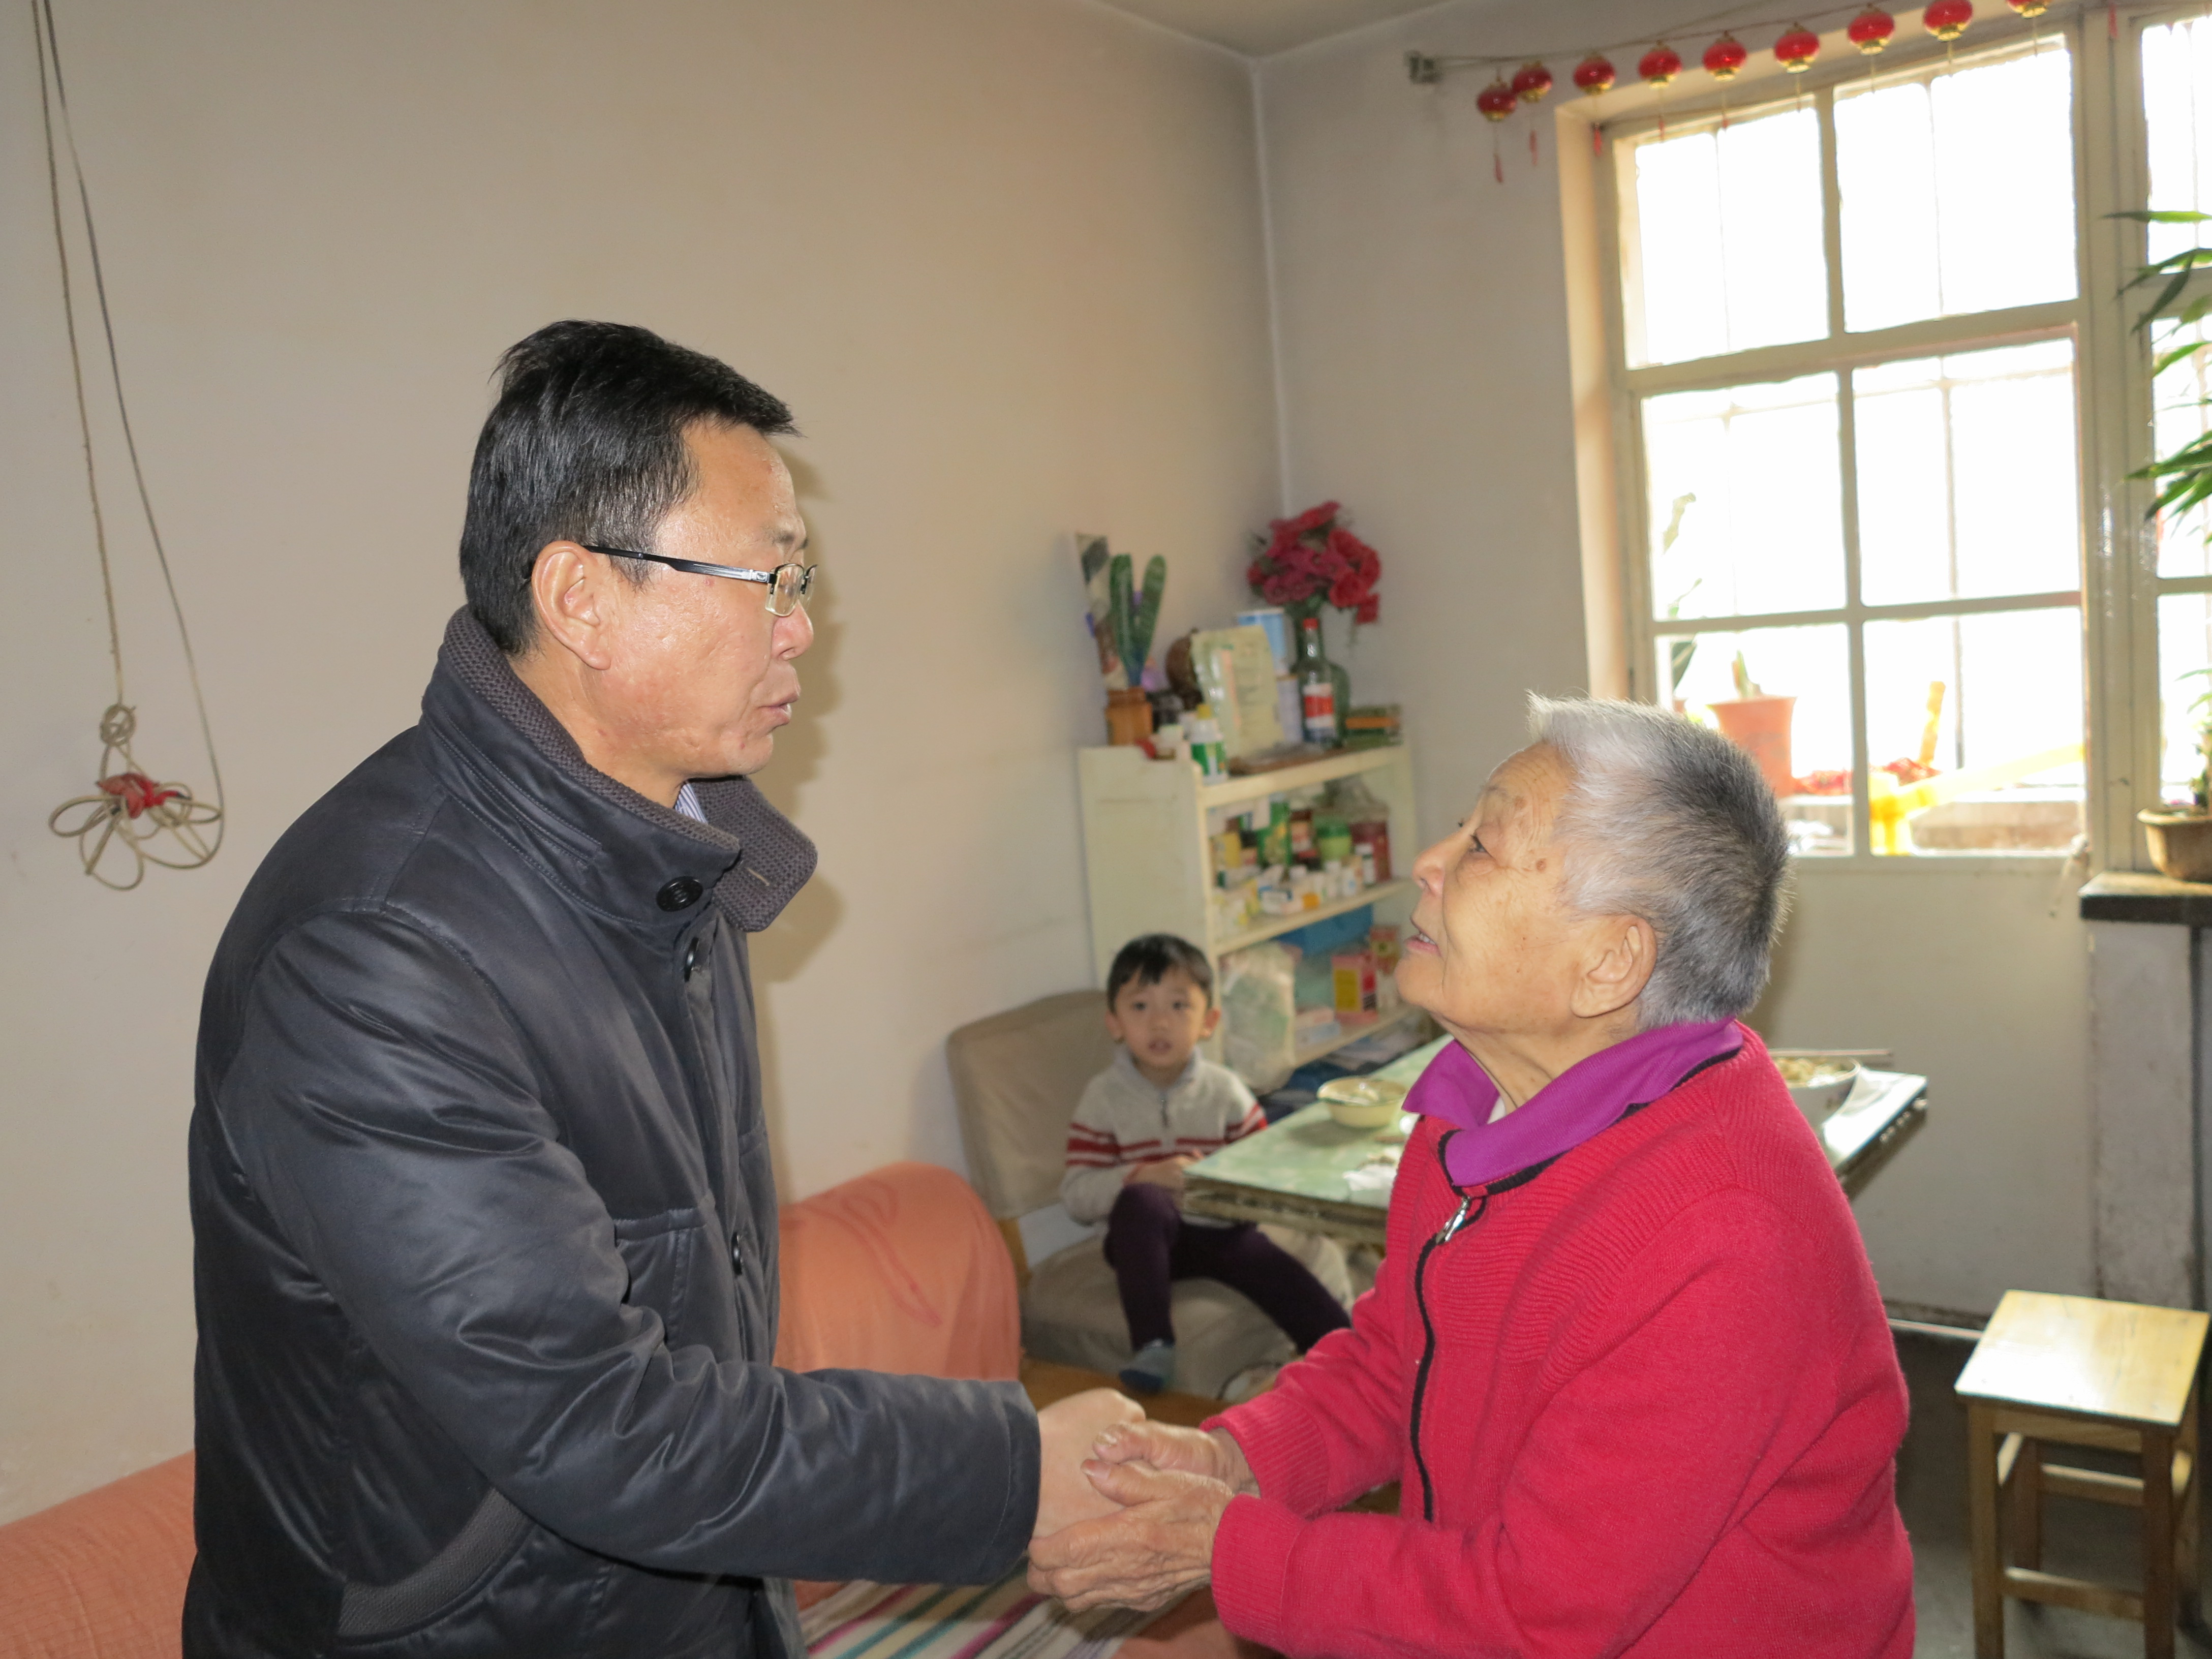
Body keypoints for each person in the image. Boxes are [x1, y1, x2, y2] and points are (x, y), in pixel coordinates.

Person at [184, 321, 1134, 1659]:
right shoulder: (376, 956)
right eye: (770, 576)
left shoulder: (667, 852)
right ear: (581, 598)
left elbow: (698, 1329)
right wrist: (1016, 1471)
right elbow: (598, 1424)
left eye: (804, 578)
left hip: (678, 1595)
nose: (803, 628)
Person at [1030, 697, 1917, 1658]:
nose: (1429, 860)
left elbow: (1538, 1613)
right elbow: (1401, 1358)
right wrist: (1229, 1459)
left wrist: (1223, 1548)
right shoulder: (1474, 1103)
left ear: (1609, 961)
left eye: (1484, 844)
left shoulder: (1722, 1234)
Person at [1061, 935, 1350, 1394]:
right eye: (1140, 1007)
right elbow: (1077, 1196)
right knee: (1142, 1201)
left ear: (1208, 1022)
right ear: (1115, 1023)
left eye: (1179, 1006)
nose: (1160, 1022)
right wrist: (1140, 1176)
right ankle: (1154, 1344)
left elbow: (1263, 1181)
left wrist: (1212, 1185)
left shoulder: (1226, 1092)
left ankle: (1352, 1358)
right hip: (1142, 1247)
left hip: (1220, 1233)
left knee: (1284, 1276)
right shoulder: (1102, 1098)